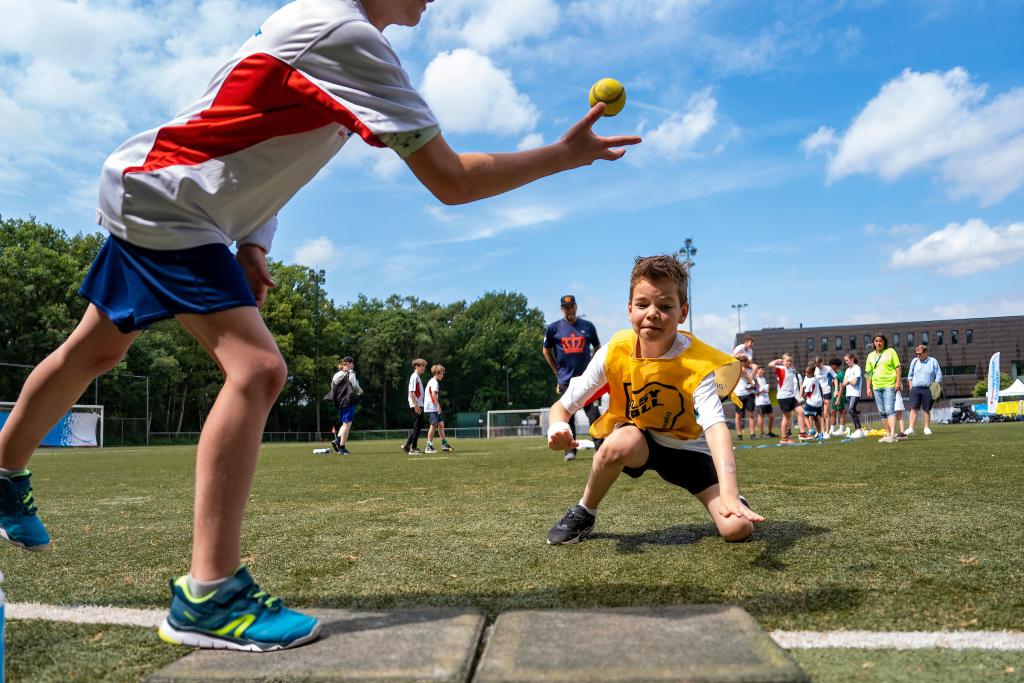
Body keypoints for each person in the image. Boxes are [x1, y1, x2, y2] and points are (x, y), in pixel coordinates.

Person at [0, 0, 642, 653]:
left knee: (93, 350)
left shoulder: (323, 25)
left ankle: (3, 469)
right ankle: (208, 593)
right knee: (258, 370)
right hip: (174, 203)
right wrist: (563, 156)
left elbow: (254, 134)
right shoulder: (350, 38)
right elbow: (451, 180)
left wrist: (253, 244)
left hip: (159, 188)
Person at [545, 255, 764, 545]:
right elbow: (562, 407)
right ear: (629, 309)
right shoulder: (614, 351)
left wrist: (728, 491)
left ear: (682, 312)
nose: (652, 313)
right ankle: (585, 510)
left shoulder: (696, 363)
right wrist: (558, 428)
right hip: (641, 440)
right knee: (618, 443)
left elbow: (715, 427)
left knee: (737, 530)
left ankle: (733, 498)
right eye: (642, 304)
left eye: (665, 306)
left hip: (688, 453)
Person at [543, 295, 602, 461]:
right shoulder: (554, 328)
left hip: (587, 381)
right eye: (566, 307)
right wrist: (557, 373)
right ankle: (569, 450)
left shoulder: (588, 326)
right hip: (565, 381)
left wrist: (595, 371)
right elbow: (546, 351)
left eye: (571, 306)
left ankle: (601, 447)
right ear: (562, 309)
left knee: (594, 415)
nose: (569, 309)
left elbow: (598, 349)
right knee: (568, 418)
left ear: (576, 307)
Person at [865, 335, 902, 443]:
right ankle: (888, 433)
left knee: (889, 409)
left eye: (881, 341)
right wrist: (868, 387)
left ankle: (892, 435)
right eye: (876, 341)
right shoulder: (870, 356)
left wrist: (898, 382)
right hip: (876, 386)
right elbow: (868, 373)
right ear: (873, 343)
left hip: (889, 385)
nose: (878, 343)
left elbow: (898, 367)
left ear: (884, 342)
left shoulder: (891, 351)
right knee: (882, 412)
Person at [905, 344, 942, 436]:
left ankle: (926, 428)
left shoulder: (933, 361)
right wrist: (911, 387)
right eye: (916, 354)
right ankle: (911, 428)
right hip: (915, 388)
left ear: (925, 352)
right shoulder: (914, 361)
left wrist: (935, 386)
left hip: (928, 389)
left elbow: (939, 375)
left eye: (920, 354)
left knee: (926, 409)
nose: (918, 356)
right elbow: (910, 376)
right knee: (913, 408)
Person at [329, 356, 363, 454]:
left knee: (345, 423)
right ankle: (338, 442)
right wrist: (360, 392)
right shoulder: (350, 373)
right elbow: (355, 386)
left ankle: (341, 447)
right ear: (348, 363)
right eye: (352, 363)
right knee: (347, 423)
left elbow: (332, 386)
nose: (353, 365)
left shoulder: (336, 375)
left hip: (339, 401)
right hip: (348, 400)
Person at [768, 354, 804, 444]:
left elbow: (794, 370)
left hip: (791, 396)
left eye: (790, 361)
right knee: (787, 417)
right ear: (783, 362)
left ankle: (803, 434)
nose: (789, 363)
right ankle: (784, 439)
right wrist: (778, 360)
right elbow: (770, 365)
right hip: (783, 396)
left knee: (801, 411)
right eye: (787, 361)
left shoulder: (791, 370)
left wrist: (789, 362)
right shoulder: (780, 369)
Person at [423, 364, 453, 454]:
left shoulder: (432, 381)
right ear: (437, 373)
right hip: (432, 407)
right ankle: (428, 446)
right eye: (442, 374)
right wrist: (438, 405)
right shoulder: (434, 382)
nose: (442, 375)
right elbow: (433, 395)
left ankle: (444, 444)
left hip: (432, 406)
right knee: (434, 425)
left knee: (441, 424)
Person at [402, 358, 428, 455]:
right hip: (416, 404)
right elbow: (411, 392)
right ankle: (413, 448)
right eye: (422, 366)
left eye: (424, 366)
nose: (424, 368)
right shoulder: (414, 377)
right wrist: (416, 405)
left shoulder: (417, 377)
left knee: (418, 425)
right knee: (418, 425)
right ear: (416, 366)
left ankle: (407, 445)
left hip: (418, 404)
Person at [842, 352, 865, 438]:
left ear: (852, 359)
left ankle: (859, 429)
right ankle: (858, 430)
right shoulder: (848, 370)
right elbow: (843, 383)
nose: (846, 362)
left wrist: (848, 381)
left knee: (851, 410)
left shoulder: (857, 368)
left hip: (855, 393)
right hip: (849, 393)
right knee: (853, 411)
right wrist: (848, 381)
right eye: (845, 361)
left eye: (847, 360)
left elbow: (854, 382)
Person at [733, 358, 757, 440]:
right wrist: (752, 379)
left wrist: (751, 367)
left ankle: (752, 434)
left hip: (749, 394)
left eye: (746, 362)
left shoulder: (749, 369)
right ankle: (739, 435)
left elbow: (755, 366)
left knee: (751, 414)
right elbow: (748, 377)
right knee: (738, 416)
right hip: (739, 395)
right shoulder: (738, 369)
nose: (746, 363)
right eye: (744, 361)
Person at [813, 356, 836, 438]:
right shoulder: (815, 370)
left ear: (822, 362)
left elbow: (835, 378)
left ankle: (827, 432)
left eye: (819, 365)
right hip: (818, 393)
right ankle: (821, 431)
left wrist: (836, 390)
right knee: (820, 413)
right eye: (817, 365)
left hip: (827, 391)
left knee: (826, 412)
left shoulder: (828, 369)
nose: (818, 367)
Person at [801, 363, 825, 439]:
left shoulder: (810, 380)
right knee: (816, 417)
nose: (806, 374)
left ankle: (811, 429)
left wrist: (802, 399)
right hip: (819, 401)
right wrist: (822, 398)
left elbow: (807, 391)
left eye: (808, 373)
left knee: (804, 415)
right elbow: (820, 389)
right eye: (806, 373)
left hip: (812, 402)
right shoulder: (816, 379)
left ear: (812, 372)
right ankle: (820, 434)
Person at [753, 365, 776, 438]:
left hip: (767, 401)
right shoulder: (755, 379)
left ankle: (769, 432)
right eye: (761, 369)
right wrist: (760, 390)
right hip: (760, 401)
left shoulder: (763, 378)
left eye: (763, 370)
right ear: (757, 370)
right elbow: (753, 389)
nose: (763, 371)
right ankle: (762, 433)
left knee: (771, 417)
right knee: (761, 416)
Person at [827, 358, 848, 436]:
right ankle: (832, 429)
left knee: (841, 411)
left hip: (840, 395)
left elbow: (842, 387)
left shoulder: (841, 374)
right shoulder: (833, 374)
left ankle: (841, 429)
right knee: (833, 411)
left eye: (831, 365)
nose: (830, 367)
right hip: (834, 395)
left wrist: (839, 398)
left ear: (835, 365)